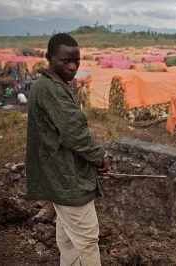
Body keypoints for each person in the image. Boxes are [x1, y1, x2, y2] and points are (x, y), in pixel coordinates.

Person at [26, 33, 110, 266]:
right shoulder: (51, 89)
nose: (72, 67)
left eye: (77, 61)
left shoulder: (48, 85)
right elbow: (76, 133)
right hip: (67, 177)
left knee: (68, 237)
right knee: (87, 240)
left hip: (58, 173)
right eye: (65, 61)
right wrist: (100, 156)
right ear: (49, 58)